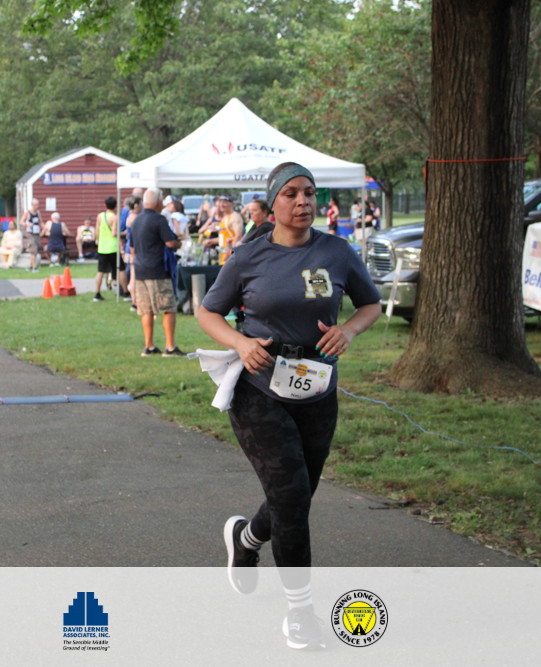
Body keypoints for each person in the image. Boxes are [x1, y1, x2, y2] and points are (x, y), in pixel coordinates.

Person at [197, 162, 382, 650]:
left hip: (318, 391)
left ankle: (246, 540)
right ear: (273, 201)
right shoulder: (249, 255)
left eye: (310, 193)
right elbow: (207, 311)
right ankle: (300, 613)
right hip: (259, 389)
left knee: (294, 497)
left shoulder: (336, 252)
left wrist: (349, 330)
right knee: (293, 497)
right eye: (292, 194)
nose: (303, 202)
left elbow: (371, 304)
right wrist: (240, 343)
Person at [132, 188, 184, 357]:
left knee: (146, 310)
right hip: (158, 270)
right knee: (168, 307)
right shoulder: (159, 219)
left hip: (140, 270)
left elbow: (132, 247)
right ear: (157, 203)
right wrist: (178, 243)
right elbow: (170, 242)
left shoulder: (136, 220)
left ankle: (149, 346)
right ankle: (170, 347)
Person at [93, 196, 119, 302]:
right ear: (115, 206)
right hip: (112, 247)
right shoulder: (115, 217)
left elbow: (97, 230)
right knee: (117, 270)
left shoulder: (100, 216)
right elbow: (114, 233)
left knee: (100, 271)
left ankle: (97, 293)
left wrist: (97, 240)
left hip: (102, 247)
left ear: (105, 205)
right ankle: (120, 291)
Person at [19, 198, 43, 272]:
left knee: (36, 248)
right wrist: (27, 224)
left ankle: (30, 266)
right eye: (35, 205)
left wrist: (44, 228)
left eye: (38, 204)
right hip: (29, 233)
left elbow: (41, 222)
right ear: (32, 205)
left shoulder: (38, 213)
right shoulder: (27, 213)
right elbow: (21, 221)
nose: (37, 206)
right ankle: (34, 267)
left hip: (36, 232)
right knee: (33, 248)